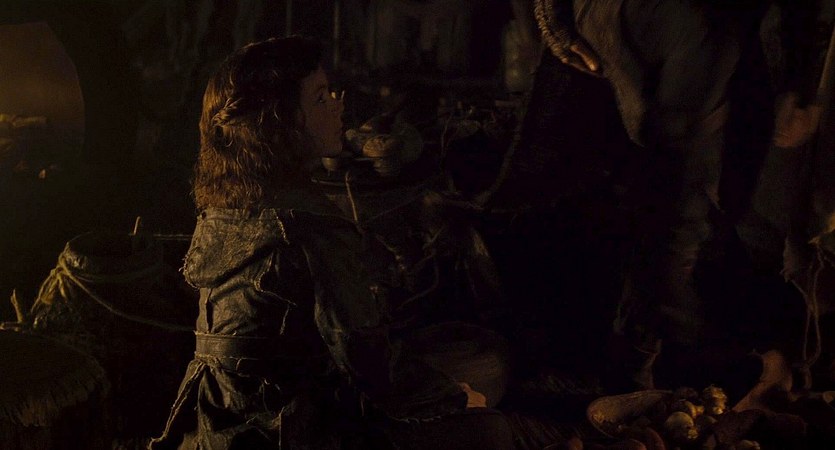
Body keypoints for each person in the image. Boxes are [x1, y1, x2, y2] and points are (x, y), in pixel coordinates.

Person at [150, 36, 514, 449]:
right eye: (321, 98)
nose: (338, 106)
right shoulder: (308, 225)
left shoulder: (223, 208)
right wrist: (454, 398)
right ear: (281, 122)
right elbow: (367, 362)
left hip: (218, 422)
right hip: (282, 432)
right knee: (489, 421)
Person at [533, 0, 822, 390]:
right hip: (686, 20)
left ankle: (637, 355)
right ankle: (658, 367)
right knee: (677, 200)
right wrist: (801, 83)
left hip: (616, 17)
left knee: (661, 185)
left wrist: (554, 17)